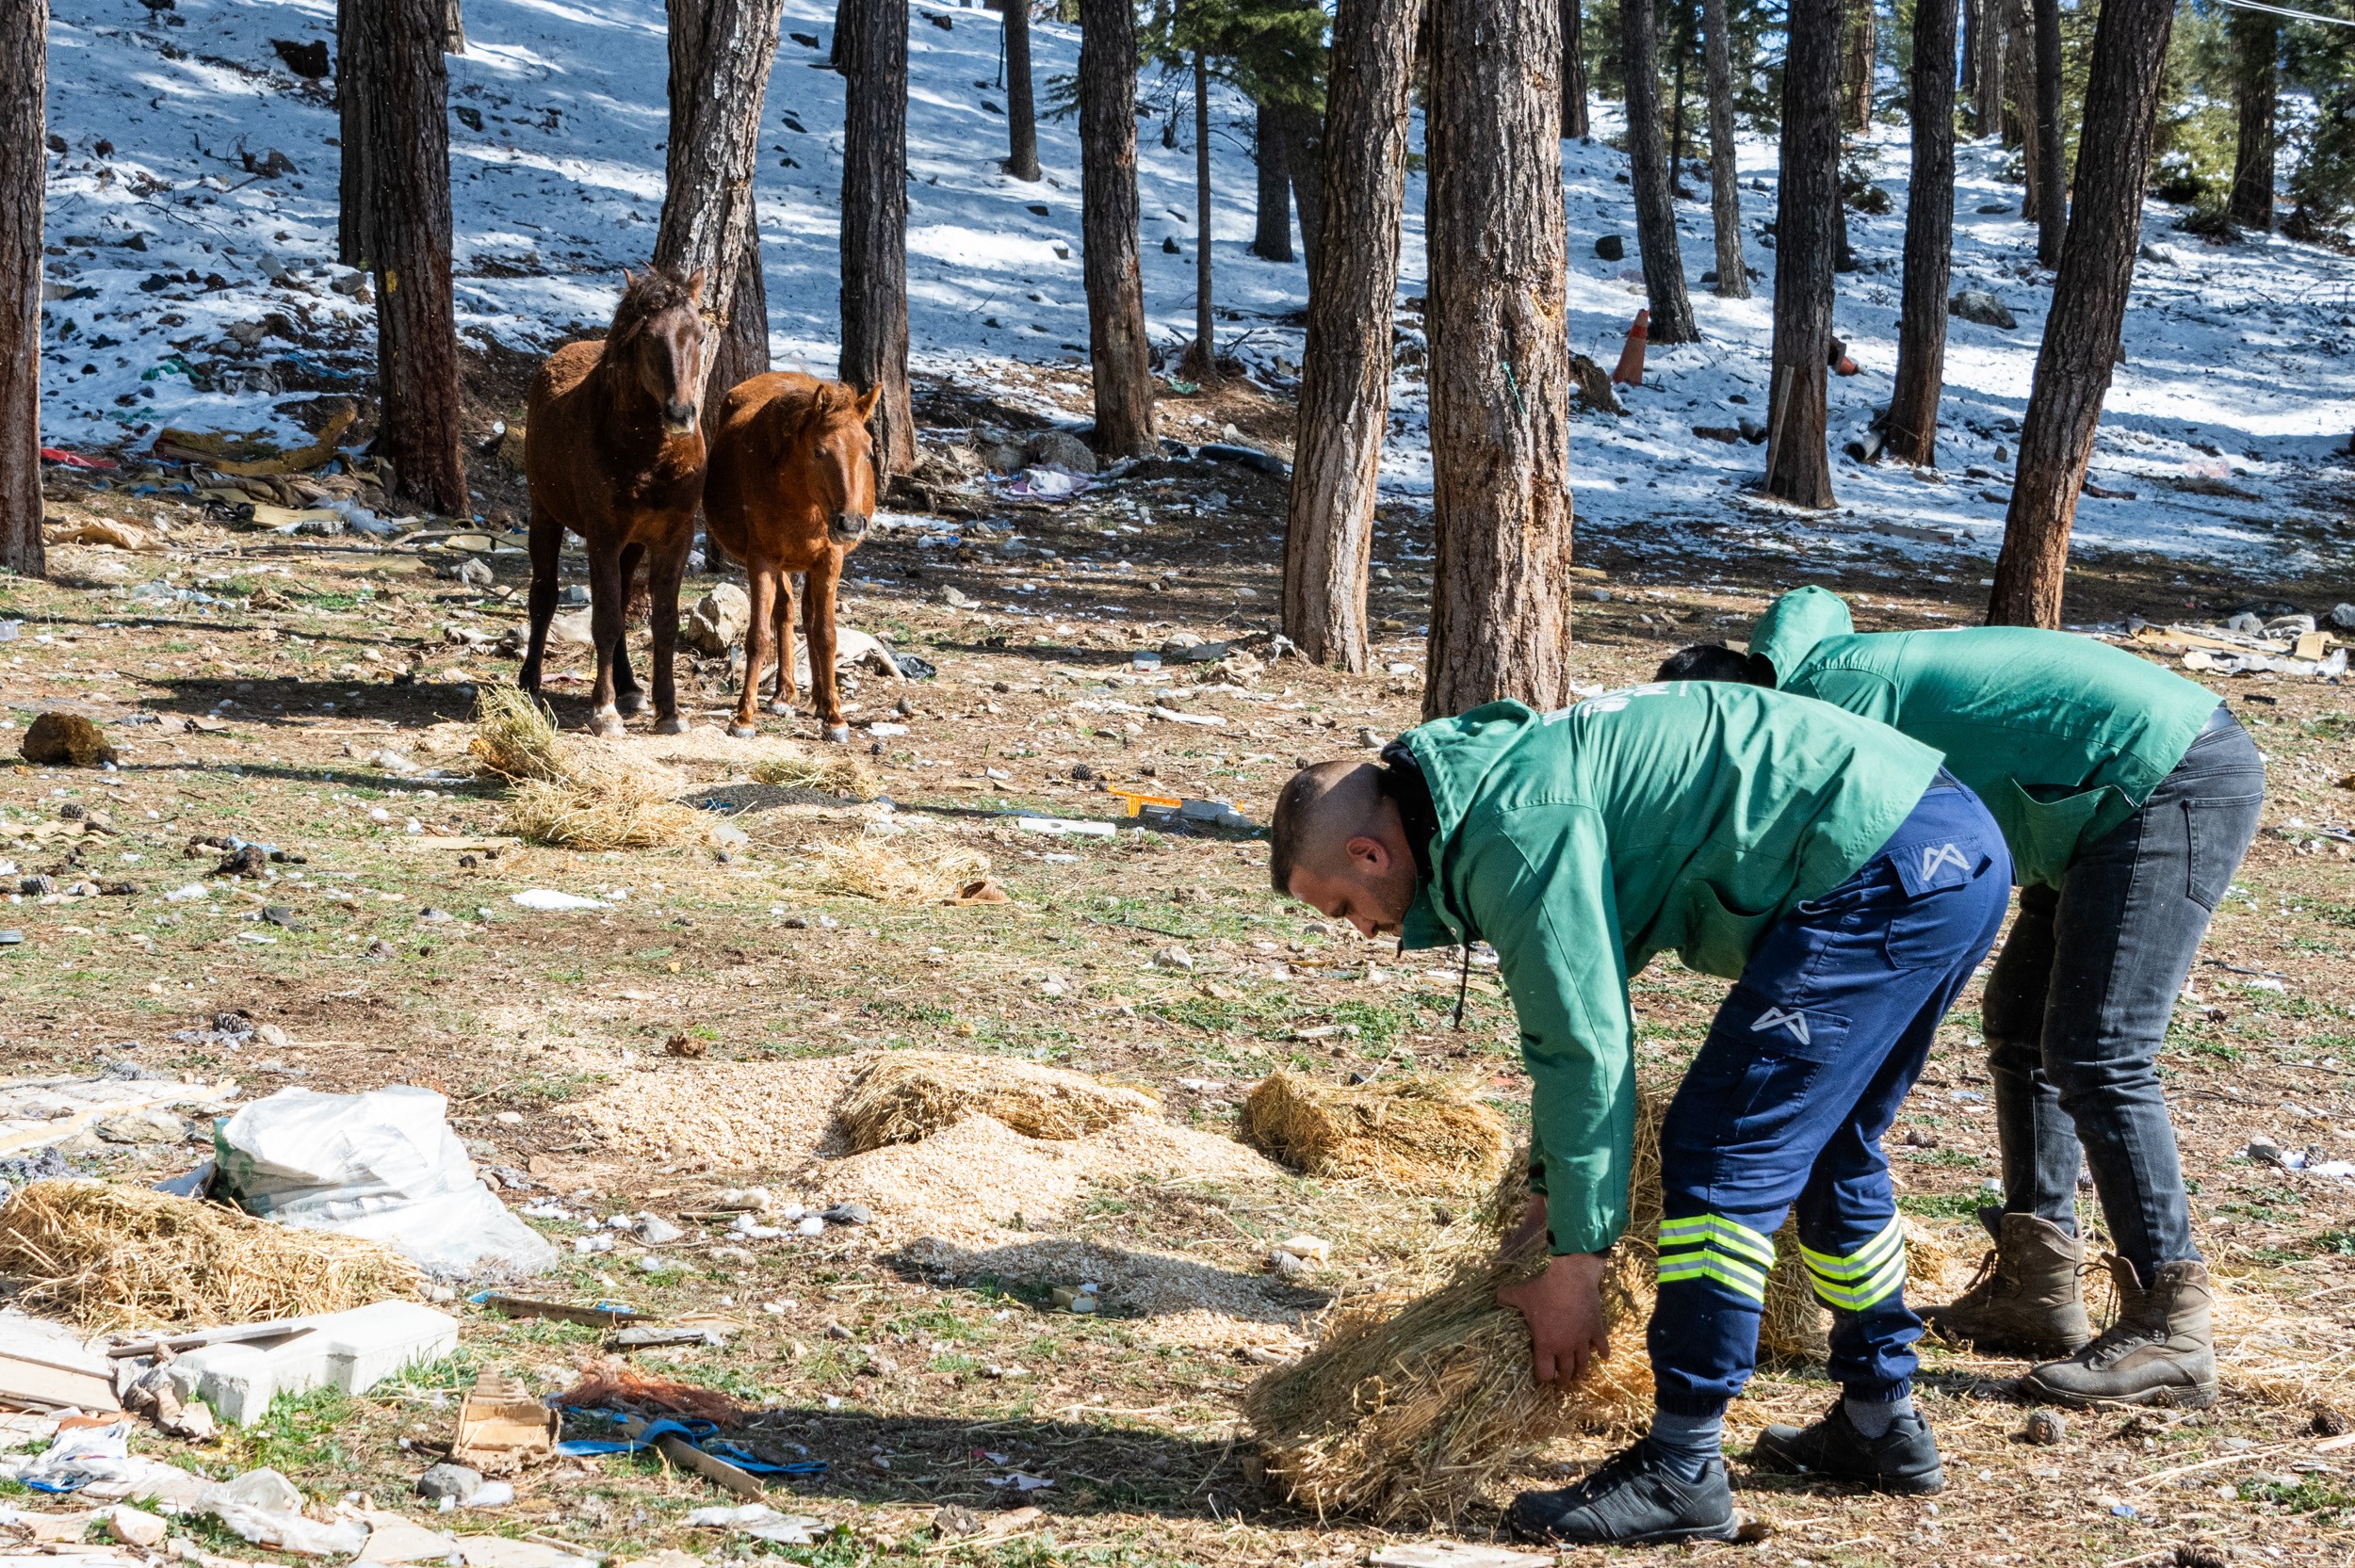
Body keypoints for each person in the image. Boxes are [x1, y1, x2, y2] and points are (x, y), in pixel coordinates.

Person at [1268, 685, 2010, 1545]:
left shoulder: (1511, 831)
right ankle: (1882, 1417)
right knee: (1832, 1144)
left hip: (1880, 870)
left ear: (1368, 853)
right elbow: (1574, 1020)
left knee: (1722, 1147)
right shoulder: (1490, 783)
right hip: (1948, 848)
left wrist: (1574, 1270)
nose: (1360, 930)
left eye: (1343, 909)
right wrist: (1552, 1198)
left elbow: (1586, 1048)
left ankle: (1683, 1465)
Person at [1659, 586, 2266, 1409]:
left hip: (2161, 776)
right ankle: (2038, 1284)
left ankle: (2173, 1323)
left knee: (2102, 1047)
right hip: (2084, 802)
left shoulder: (1827, 712)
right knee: (2020, 1025)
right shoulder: (1819, 686)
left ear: (1736, 708)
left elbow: (1855, 893)